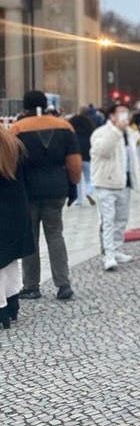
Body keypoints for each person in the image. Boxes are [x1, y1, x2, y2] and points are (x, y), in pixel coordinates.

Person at [11, 91, 82, 301]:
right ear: (46, 104)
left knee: (30, 238)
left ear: (25, 107)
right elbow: (75, 163)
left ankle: (31, 285)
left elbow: (11, 163)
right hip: (57, 189)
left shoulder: (17, 129)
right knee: (55, 235)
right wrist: (73, 185)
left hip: (28, 192)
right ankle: (63, 283)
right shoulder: (64, 126)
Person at [90, 103, 140, 272]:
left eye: (126, 112)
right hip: (106, 183)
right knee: (107, 221)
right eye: (120, 113)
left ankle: (118, 249)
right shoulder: (101, 133)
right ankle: (108, 255)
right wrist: (116, 130)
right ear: (111, 116)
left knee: (121, 219)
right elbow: (103, 151)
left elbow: (136, 149)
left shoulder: (130, 133)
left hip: (125, 182)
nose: (124, 116)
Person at [0, 126, 32, 329]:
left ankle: (2, 308)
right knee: (9, 259)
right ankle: (12, 303)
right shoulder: (14, 144)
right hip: (15, 210)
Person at [69, 108, 96, 206]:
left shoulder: (72, 121)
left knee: (78, 179)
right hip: (87, 153)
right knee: (89, 177)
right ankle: (89, 192)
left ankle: (78, 200)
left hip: (76, 153)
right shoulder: (89, 123)